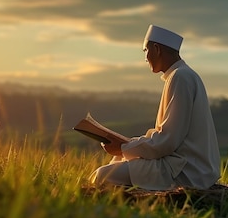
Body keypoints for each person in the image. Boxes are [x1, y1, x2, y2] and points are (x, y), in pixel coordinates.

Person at [90, 24, 220, 190]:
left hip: (186, 170)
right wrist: (127, 145)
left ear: (157, 49)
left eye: (145, 51)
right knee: (118, 161)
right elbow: (166, 136)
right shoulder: (180, 75)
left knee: (103, 175)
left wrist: (124, 147)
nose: (145, 58)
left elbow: (167, 140)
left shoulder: (180, 77)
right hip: (181, 163)